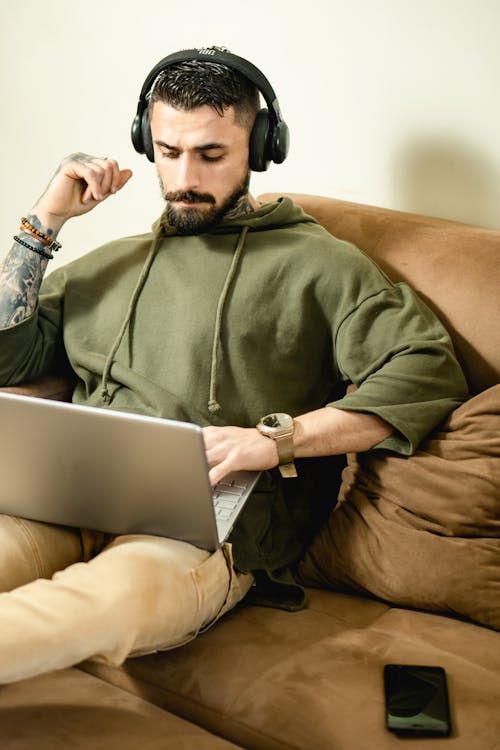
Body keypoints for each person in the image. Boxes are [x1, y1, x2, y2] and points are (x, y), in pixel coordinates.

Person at [0, 47, 468, 685]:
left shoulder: (321, 264)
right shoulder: (112, 264)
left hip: (207, 536)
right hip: (67, 500)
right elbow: (8, 357)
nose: (185, 175)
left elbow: (424, 370)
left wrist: (276, 440)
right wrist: (44, 221)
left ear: (263, 146)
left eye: (211, 154)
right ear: (146, 142)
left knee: (75, 613)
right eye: (168, 151)